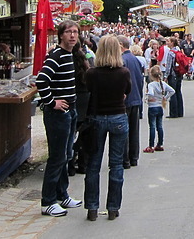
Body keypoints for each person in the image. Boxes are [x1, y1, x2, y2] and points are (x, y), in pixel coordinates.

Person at [36, 20, 82, 217]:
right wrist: (52, 102)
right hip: (58, 114)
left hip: (70, 110)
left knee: (66, 155)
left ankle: (62, 194)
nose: (73, 35)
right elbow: (41, 80)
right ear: (61, 35)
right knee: (57, 157)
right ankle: (48, 201)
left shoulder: (69, 55)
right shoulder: (56, 56)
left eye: (75, 32)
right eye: (69, 32)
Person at [83, 36, 131, 221]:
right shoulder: (123, 72)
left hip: (97, 117)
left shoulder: (92, 73)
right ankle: (113, 207)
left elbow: (88, 92)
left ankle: (92, 208)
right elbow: (128, 91)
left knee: (93, 164)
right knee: (116, 164)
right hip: (118, 116)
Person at [118, 36, 144, 169]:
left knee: (124, 131)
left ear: (121, 45)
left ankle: (125, 159)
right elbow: (140, 79)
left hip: (126, 100)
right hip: (135, 98)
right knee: (134, 130)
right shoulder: (135, 59)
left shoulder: (122, 60)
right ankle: (134, 157)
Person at [69, 40, 91, 176]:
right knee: (84, 136)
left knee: (70, 135)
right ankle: (83, 164)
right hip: (85, 100)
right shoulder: (85, 62)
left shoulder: (66, 61)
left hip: (72, 99)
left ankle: (70, 165)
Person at [144, 66, 175, 153]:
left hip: (152, 107)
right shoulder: (163, 84)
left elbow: (150, 93)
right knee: (159, 126)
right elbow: (172, 91)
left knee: (152, 127)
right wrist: (165, 97)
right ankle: (160, 144)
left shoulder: (151, 85)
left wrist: (148, 98)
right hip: (160, 107)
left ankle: (151, 145)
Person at [163, 37, 184, 118]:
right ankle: (180, 111)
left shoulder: (170, 53)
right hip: (179, 74)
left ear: (172, 43)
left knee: (172, 92)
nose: (167, 42)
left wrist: (166, 76)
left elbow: (169, 66)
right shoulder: (178, 51)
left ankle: (173, 112)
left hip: (173, 74)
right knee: (178, 92)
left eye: (168, 41)